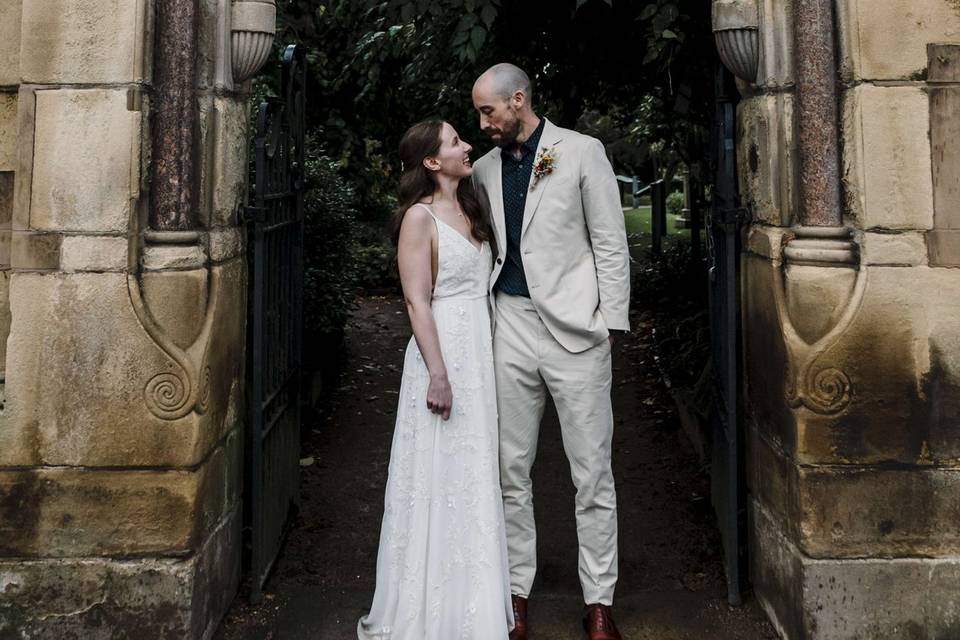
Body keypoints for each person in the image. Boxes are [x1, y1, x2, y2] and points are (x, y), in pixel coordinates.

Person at [470, 63, 631, 640]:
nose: (482, 123)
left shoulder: (582, 152)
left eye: (489, 111)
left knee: (592, 473)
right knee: (511, 469)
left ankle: (599, 603)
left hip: (576, 331)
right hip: (508, 324)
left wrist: (610, 323)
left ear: (519, 100)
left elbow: (611, 241)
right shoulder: (484, 169)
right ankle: (515, 596)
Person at [358, 120, 514, 639]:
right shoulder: (417, 219)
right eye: (454, 142)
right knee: (436, 476)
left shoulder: (472, 206)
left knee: (472, 475)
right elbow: (416, 300)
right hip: (443, 349)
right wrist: (439, 373)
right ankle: (428, 605)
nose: (467, 145)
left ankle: (473, 598)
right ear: (431, 161)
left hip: (480, 348)